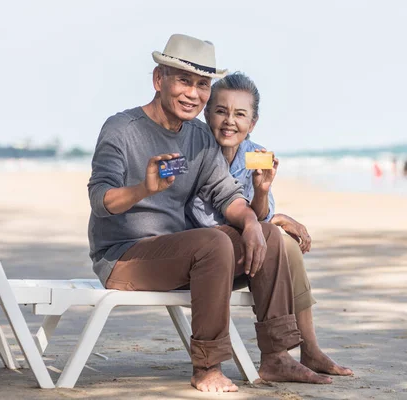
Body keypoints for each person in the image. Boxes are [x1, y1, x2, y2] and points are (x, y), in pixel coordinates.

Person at [87, 34, 329, 393]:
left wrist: (250, 221)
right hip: (123, 256)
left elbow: (226, 195)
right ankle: (207, 366)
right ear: (159, 80)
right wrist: (144, 189)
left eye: (202, 85)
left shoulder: (199, 137)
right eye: (183, 80)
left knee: (267, 234)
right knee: (213, 243)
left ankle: (277, 357)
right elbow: (99, 199)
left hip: (178, 254)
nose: (193, 94)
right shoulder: (122, 129)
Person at [187, 72, 353, 378]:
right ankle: (293, 352)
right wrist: (271, 221)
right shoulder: (199, 152)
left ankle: (308, 349)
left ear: (253, 122)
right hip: (211, 256)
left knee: (284, 241)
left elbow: (257, 216)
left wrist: (262, 193)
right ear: (207, 112)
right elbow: (209, 220)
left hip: (247, 251)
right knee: (279, 238)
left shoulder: (255, 154)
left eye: (240, 114)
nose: (229, 121)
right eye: (221, 111)